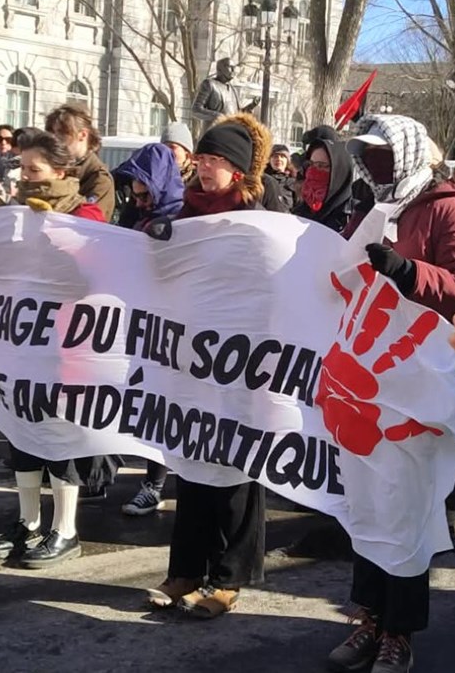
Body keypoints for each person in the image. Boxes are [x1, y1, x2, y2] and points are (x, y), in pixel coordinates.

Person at [326, 115, 455, 672]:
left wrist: (409, 272)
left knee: (409, 502)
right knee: (369, 497)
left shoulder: (446, 207)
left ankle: (400, 631)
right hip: (370, 383)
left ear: (406, 154)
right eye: (366, 155)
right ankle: (368, 615)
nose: (373, 165)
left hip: (419, 379)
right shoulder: (373, 207)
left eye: (381, 154)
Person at [145, 112, 272, 620]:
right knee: (192, 458)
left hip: (244, 356)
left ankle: (229, 577)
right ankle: (186, 570)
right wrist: (152, 238)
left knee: (238, 466)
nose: (204, 167)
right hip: (192, 355)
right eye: (202, 157)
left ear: (238, 170)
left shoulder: (261, 211)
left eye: (216, 160)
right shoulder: (186, 211)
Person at [0, 129, 105, 569]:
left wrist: (55, 232)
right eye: (22, 169)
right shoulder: (16, 213)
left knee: (59, 435)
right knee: (23, 432)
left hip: (65, 345)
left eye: (35, 170)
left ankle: (66, 529)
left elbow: (93, 275)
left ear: (60, 171)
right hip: (20, 340)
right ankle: (28, 521)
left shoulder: (84, 212)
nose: (26, 178)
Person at [110, 142, 187, 516]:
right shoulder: (132, 214)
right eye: (135, 195)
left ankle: (154, 483)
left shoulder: (183, 216)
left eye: (144, 195)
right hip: (136, 319)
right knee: (141, 402)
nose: (138, 201)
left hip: (170, 326)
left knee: (161, 405)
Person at [44, 104, 116, 219]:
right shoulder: (54, 169)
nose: (55, 139)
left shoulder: (99, 178)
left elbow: (89, 224)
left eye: (62, 133)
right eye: (52, 133)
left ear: (82, 135)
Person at [295, 132, 355, 234]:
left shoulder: (355, 218)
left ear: (339, 171)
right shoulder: (298, 213)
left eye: (322, 165)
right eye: (311, 164)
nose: (313, 171)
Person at [191, 57, 255, 127]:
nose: (233, 70)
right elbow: (196, 109)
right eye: (230, 67)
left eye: (234, 67)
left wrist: (250, 107)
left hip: (229, 133)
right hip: (214, 133)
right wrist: (218, 116)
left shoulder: (233, 90)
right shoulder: (210, 84)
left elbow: (236, 114)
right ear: (220, 69)